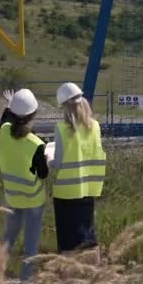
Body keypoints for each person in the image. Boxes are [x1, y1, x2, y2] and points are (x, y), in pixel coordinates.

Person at [0, 89, 50, 284]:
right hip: (33, 201)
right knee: (30, 247)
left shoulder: (3, 133)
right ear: (33, 115)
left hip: (12, 197)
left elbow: (5, 122)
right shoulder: (36, 144)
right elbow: (43, 175)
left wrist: (10, 105)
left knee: (7, 241)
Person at [48, 82, 106, 259]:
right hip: (89, 190)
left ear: (65, 107)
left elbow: (57, 163)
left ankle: (68, 283)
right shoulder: (95, 126)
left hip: (66, 193)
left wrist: (48, 157)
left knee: (68, 241)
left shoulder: (62, 128)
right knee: (88, 237)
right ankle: (95, 278)